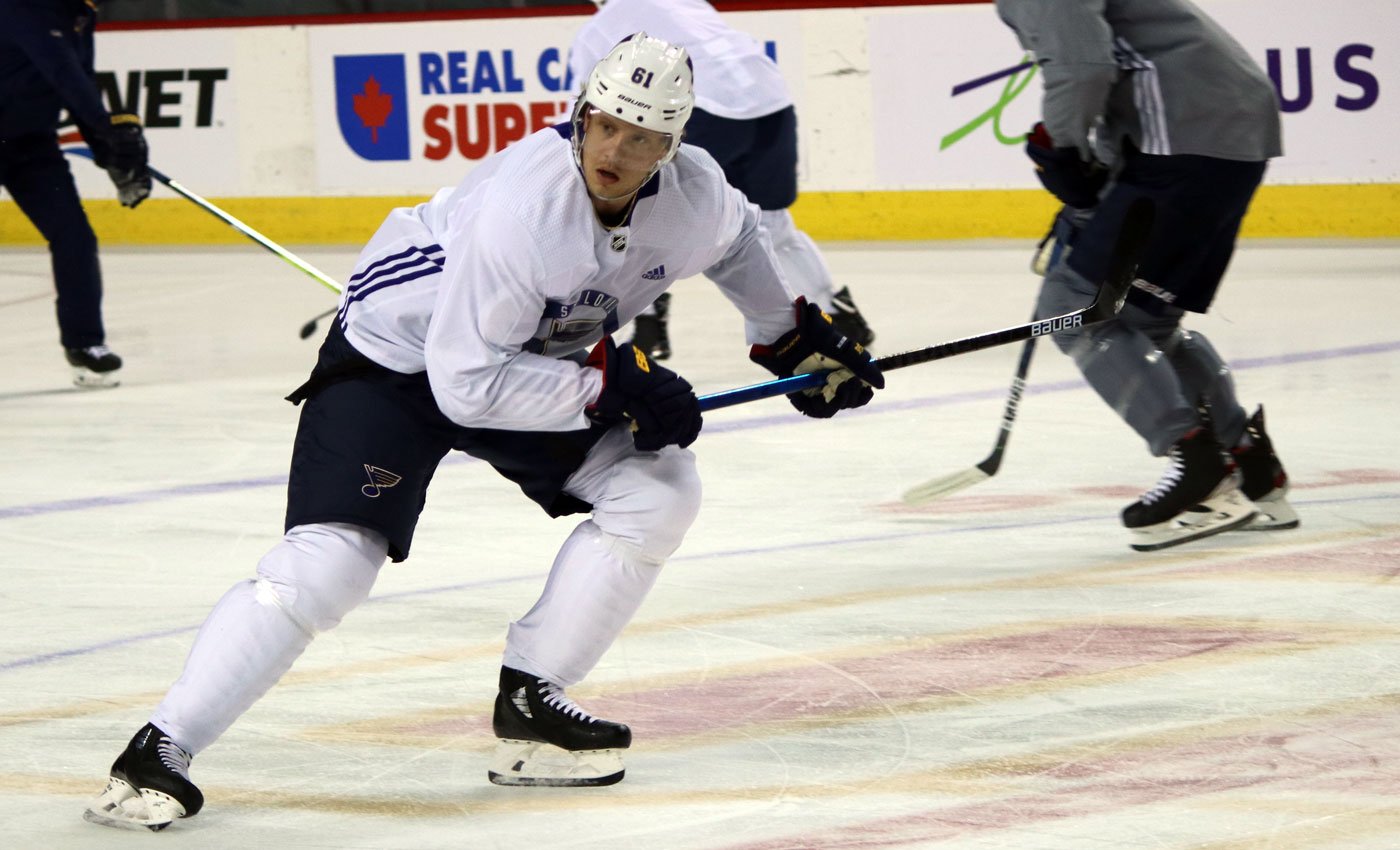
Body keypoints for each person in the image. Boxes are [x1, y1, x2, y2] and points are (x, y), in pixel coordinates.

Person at [83, 33, 883, 831]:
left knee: (658, 489)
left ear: (670, 147)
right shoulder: (524, 212)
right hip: (397, 364)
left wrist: (790, 338)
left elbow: (738, 241)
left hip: (527, 359)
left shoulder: (696, 194)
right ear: (581, 114)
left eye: (641, 138)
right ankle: (160, 748)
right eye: (605, 124)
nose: (614, 150)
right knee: (334, 560)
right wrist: (612, 387)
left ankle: (533, 701)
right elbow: (465, 386)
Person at [995, 0, 1298, 551]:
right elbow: (1118, 60)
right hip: (1216, 133)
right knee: (1145, 321)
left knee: (1076, 309)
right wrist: (1095, 171)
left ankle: (1203, 474)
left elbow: (1084, 68)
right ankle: (1250, 464)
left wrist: (1064, 150)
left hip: (1184, 138)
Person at [568, 0, 876, 361]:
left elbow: (583, 116)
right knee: (774, 223)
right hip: (772, 102)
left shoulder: (596, 31)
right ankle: (840, 314)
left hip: (712, 112)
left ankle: (647, 327)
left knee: (639, 214)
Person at [1, 0, 151, 388]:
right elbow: (60, 71)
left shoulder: (81, 15)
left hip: (31, 146)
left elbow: (80, 80)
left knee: (75, 238)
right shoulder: (22, 7)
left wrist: (110, 151)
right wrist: (107, 128)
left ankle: (85, 345)